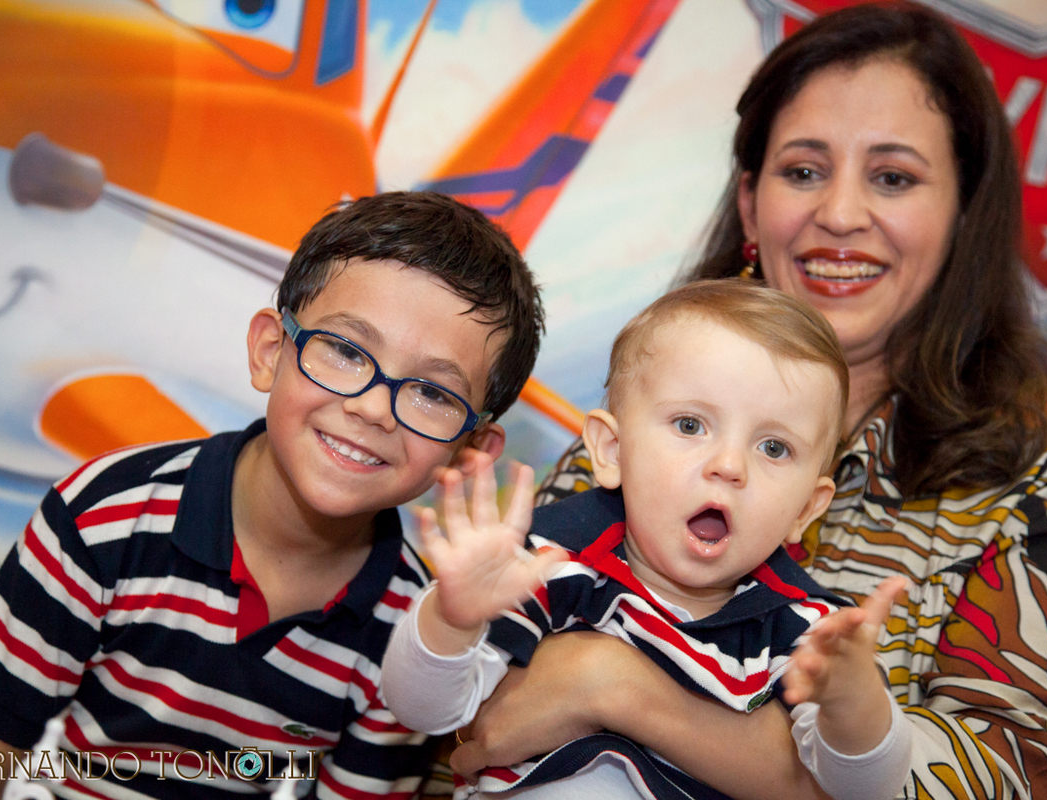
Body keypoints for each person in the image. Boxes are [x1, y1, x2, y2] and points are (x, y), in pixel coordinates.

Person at [444, 5, 1047, 800]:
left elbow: (1006, 779)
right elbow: (468, 717)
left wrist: (614, 686)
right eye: (803, 171)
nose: (841, 215)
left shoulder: (1037, 484)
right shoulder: (647, 410)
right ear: (751, 203)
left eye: (893, 178)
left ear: (963, 215)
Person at [0, 191, 545, 799]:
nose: (371, 408)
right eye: (344, 350)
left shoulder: (416, 638)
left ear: (470, 451)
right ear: (269, 352)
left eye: (432, 394)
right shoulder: (104, 516)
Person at [384, 280, 913, 800]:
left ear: (806, 509)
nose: (729, 465)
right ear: (612, 451)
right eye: (690, 425)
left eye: (774, 447)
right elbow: (421, 710)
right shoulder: (550, 563)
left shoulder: (807, 630)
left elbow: (867, 791)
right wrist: (450, 623)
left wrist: (854, 703)